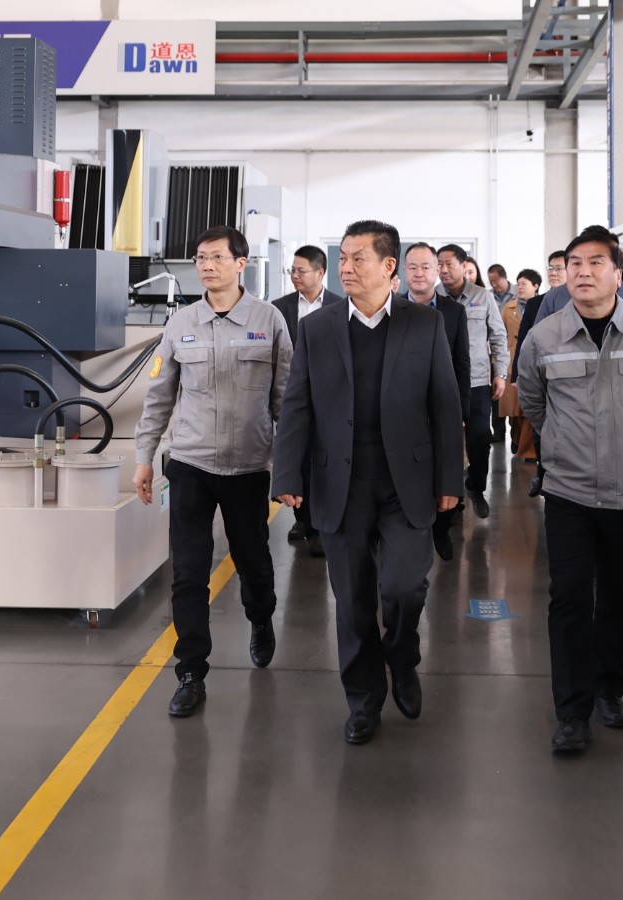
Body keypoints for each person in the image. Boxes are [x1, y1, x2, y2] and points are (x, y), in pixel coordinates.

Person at [272, 220, 464, 745]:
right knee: (353, 600)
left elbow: (445, 405)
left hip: (408, 484)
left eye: (358, 258)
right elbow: (297, 405)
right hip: (340, 484)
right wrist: (287, 473)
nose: (347, 267)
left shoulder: (423, 324)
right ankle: (363, 700)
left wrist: (451, 478)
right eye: (343, 258)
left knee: (404, 587)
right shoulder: (318, 328)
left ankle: (401, 656)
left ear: (388, 266)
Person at [518, 225, 623, 754]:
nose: (582, 272)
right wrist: (561, 444)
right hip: (569, 492)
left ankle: (610, 690)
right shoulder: (545, 336)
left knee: (618, 595)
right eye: (574, 263)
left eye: (595, 263)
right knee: (568, 597)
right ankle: (572, 711)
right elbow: (533, 400)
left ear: (618, 272)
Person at [133, 225, 293, 718]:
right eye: (201, 257)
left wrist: (291, 468)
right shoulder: (181, 323)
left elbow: (286, 400)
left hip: (248, 467)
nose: (206, 265)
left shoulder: (268, 320)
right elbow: (159, 397)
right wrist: (144, 457)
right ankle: (190, 672)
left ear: (241, 263)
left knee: (253, 563)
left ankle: (260, 618)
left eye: (217, 257)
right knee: (188, 572)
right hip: (190, 465)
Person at [401, 242, 472, 560]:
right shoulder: (390, 309)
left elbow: (461, 363)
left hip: (442, 406)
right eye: (413, 267)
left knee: (446, 470)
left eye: (426, 267)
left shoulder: (453, 312)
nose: (419, 273)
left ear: (437, 271)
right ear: (403, 271)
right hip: (403, 408)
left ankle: (441, 531)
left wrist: (462, 412)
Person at [437, 243, 508, 520]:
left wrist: (500, 373)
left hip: (477, 381)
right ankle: (449, 496)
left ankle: (475, 487)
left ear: (463, 265)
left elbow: (498, 336)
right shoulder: (433, 297)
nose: (443, 269)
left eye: (449, 264)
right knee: (445, 440)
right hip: (442, 380)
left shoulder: (482, 296)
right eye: (439, 264)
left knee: (479, 438)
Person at [273, 245, 331, 558]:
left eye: (301, 270)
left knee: (323, 460)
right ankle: (303, 519)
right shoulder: (278, 308)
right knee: (298, 458)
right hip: (291, 397)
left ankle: (318, 522)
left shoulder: (340, 306)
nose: (295, 275)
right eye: (292, 270)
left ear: (320, 273)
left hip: (329, 397)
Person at [510, 250, 568, 498]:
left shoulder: (580, 301)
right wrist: (517, 375)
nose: (553, 272)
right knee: (539, 426)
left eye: (559, 268)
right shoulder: (536, 303)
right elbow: (524, 341)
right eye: (550, 268)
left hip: (569, 376)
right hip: (540, 374)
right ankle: (543, 475)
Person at [502, 268, 542, 460]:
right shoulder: (508, 308)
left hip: (532, 359)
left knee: (528, 408)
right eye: (518, 283)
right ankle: (516, 440)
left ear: (536, 286)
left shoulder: (542, 305)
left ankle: (527, 450)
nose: (519, 287)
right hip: (511, 360)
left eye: (524, 284)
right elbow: (499, 333)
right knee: (513, 411)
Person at [487, 263, 517, 442]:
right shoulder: (488, 296)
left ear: (505, 277)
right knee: (496, 395)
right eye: (491, 282)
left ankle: (516, 437)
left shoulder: (518, 293)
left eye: (496, 281)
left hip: (513, 350)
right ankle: (498, 433)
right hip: (496, 352)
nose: (494, 285)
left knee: (513, 395)